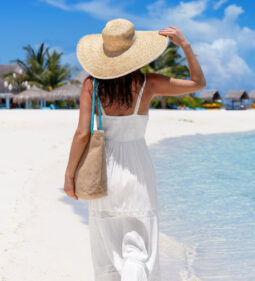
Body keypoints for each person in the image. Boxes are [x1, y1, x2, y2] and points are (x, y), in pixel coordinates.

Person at [63, 18, 206, 281]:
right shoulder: (148, 84)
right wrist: (185, 45)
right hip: (138, 168)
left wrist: (70, 176)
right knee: (138, 249)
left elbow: (83, 134)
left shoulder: (91, 85)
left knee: (106, 248)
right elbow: (198, 83)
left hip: (104, 169)